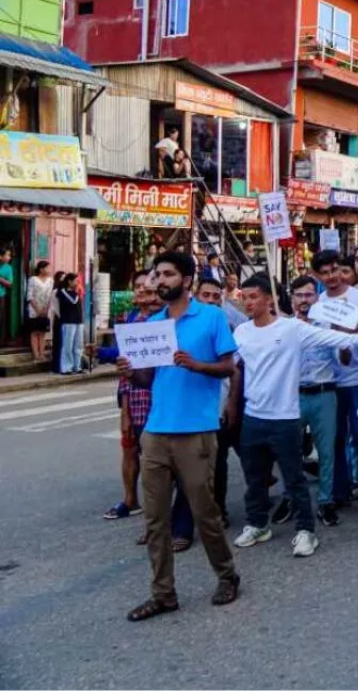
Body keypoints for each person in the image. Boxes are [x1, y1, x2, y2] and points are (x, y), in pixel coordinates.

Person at [117, 251, 240, 621]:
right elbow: (149, 379)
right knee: (155, 520)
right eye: (157, 274)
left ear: (186, 280)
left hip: (196, 431)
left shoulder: (212, 317)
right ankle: (163, 593)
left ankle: (227, 574)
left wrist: (195, 364)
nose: (160, 281)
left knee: (205, 513)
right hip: (155, 432)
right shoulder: (153, 323)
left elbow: (229, 368)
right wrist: (130, 373)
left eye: (167, 274)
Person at [230, 275, 358, 556]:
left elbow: (330, 336)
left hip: (284, 417)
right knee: (255, 476)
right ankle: (258, 523)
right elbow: (226, 362)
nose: (248, 303)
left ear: (269, 299)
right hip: (253, 417)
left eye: (253, 297)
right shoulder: (241, 333)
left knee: (294, 477)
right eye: (244, 297)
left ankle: (305, 531)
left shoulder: (292, 329)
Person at [311, 251, 358, 514]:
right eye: (325, 272)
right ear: (318, 276)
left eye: (335, 269)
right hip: (331, 381)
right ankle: (340, 490)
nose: (331, 276)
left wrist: (355, 336)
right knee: (333, 439)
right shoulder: (318, 304)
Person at [104, 272, 160, 521]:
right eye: (138, 288)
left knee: (155, 456)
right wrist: (125, 409)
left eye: (147, 290)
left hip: (158, 397)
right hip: (132, 393)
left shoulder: (165, 320)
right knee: (129, 446)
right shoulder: (131, 319)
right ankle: (131, 499)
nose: (141, 293)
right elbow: (125, 360)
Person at [292, 276, 343, 528]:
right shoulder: (284, 327)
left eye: (309, 295)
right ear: (292, 299)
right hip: (293, 396)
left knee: (326, 451)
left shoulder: (327, 326)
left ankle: (325, 500)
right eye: (299, 295)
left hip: (324, 394)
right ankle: (290, 498)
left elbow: (344, 359)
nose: (304, 300)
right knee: (289, 451)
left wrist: (346, 335)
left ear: (317, 298)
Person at [195, 277, 244, 526]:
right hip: (192, 409)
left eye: (216, 297)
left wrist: (231, 403)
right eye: (206, 296)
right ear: (196, 296)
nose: (212, 301)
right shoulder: (186, 327)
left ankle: (219, 511)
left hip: (219, 406)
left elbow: (234, 368)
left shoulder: (226, 325)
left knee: (219, 461)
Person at [56, 272, 85, 374]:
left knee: (78, 345)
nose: (78, 283)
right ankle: (66, 367)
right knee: (68, 345)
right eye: (76, 281)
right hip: (68, 321)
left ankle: (77, 366)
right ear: (69, 281)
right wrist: (77, 293)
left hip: (78, 320)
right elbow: (72, 301)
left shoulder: (76, 292)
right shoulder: (63, 292)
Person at [25, 260, 53, 362]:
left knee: (42, 333)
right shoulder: (33, 279)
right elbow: (29, 295)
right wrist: (37, 309)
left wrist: (46, 309)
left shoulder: (50, 281)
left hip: (46, 310)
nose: (49, 270)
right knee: (34, 333)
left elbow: (51, 296)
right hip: (34, 310)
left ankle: (42, 354)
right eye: (47, 268)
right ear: (41, 269)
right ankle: (36, 355)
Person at [0, 248, 12, 343]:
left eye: (9, 255)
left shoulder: (8, 268)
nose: (9, 257)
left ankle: (2, 341)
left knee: (1, 318)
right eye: (7, 255)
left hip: (1, 296)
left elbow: (10, 283)